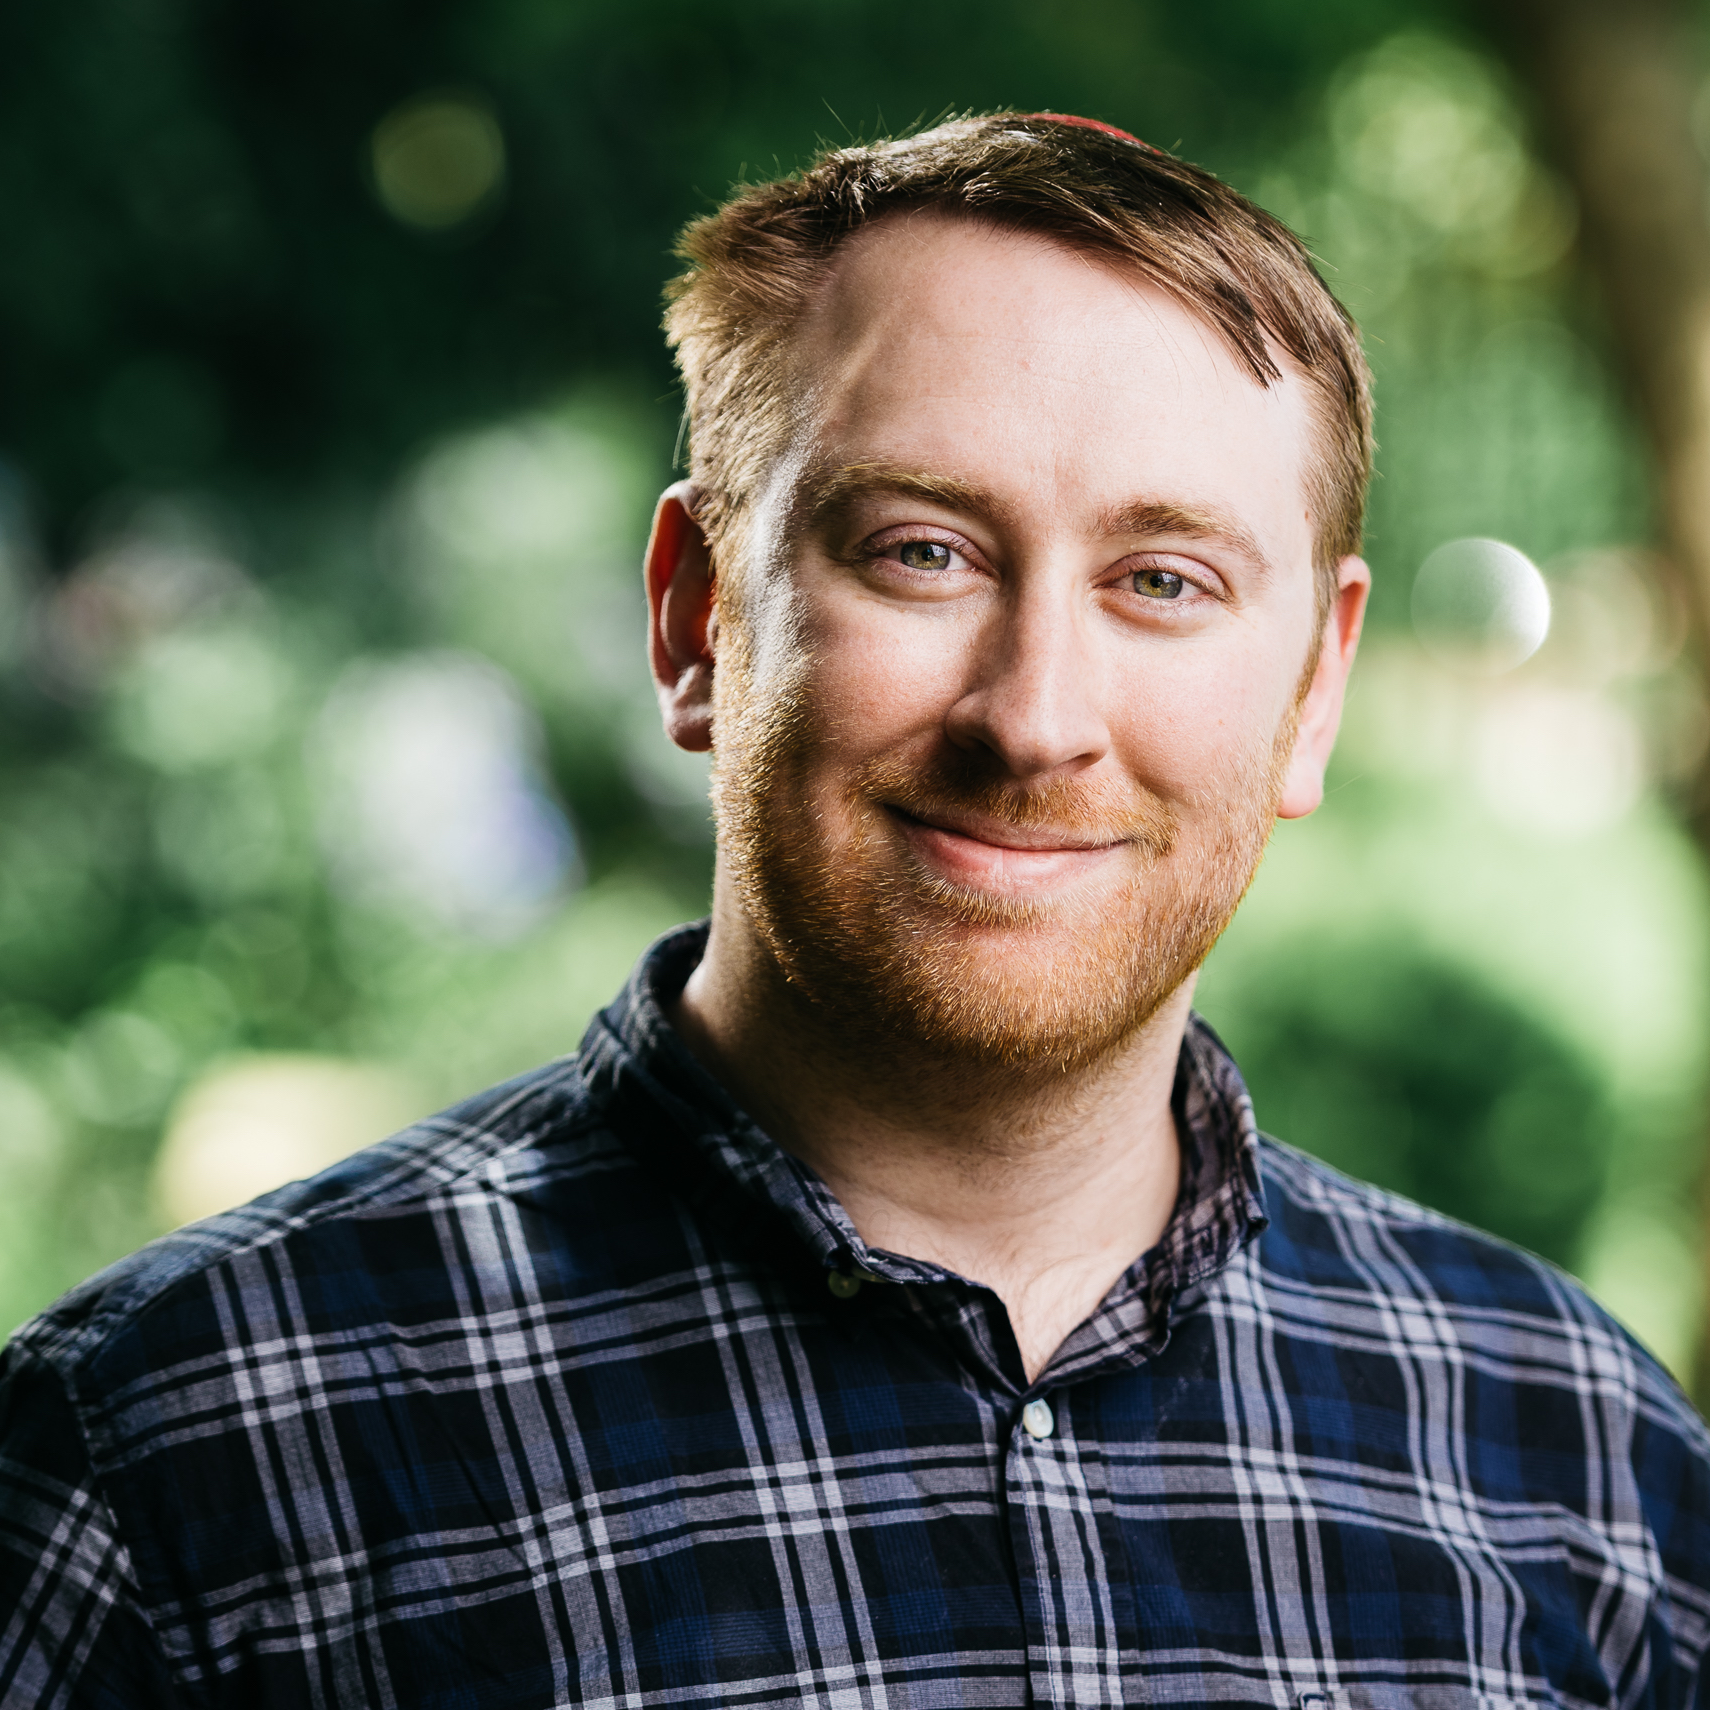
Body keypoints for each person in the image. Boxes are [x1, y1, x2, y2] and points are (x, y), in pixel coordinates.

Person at [1, 112, 1706, 1710]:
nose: (1034, 716)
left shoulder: (1586, 1465)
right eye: (921, 552)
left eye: (1161, 581)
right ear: (692, 618)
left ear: (1314, 690)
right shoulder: (162, 1465)